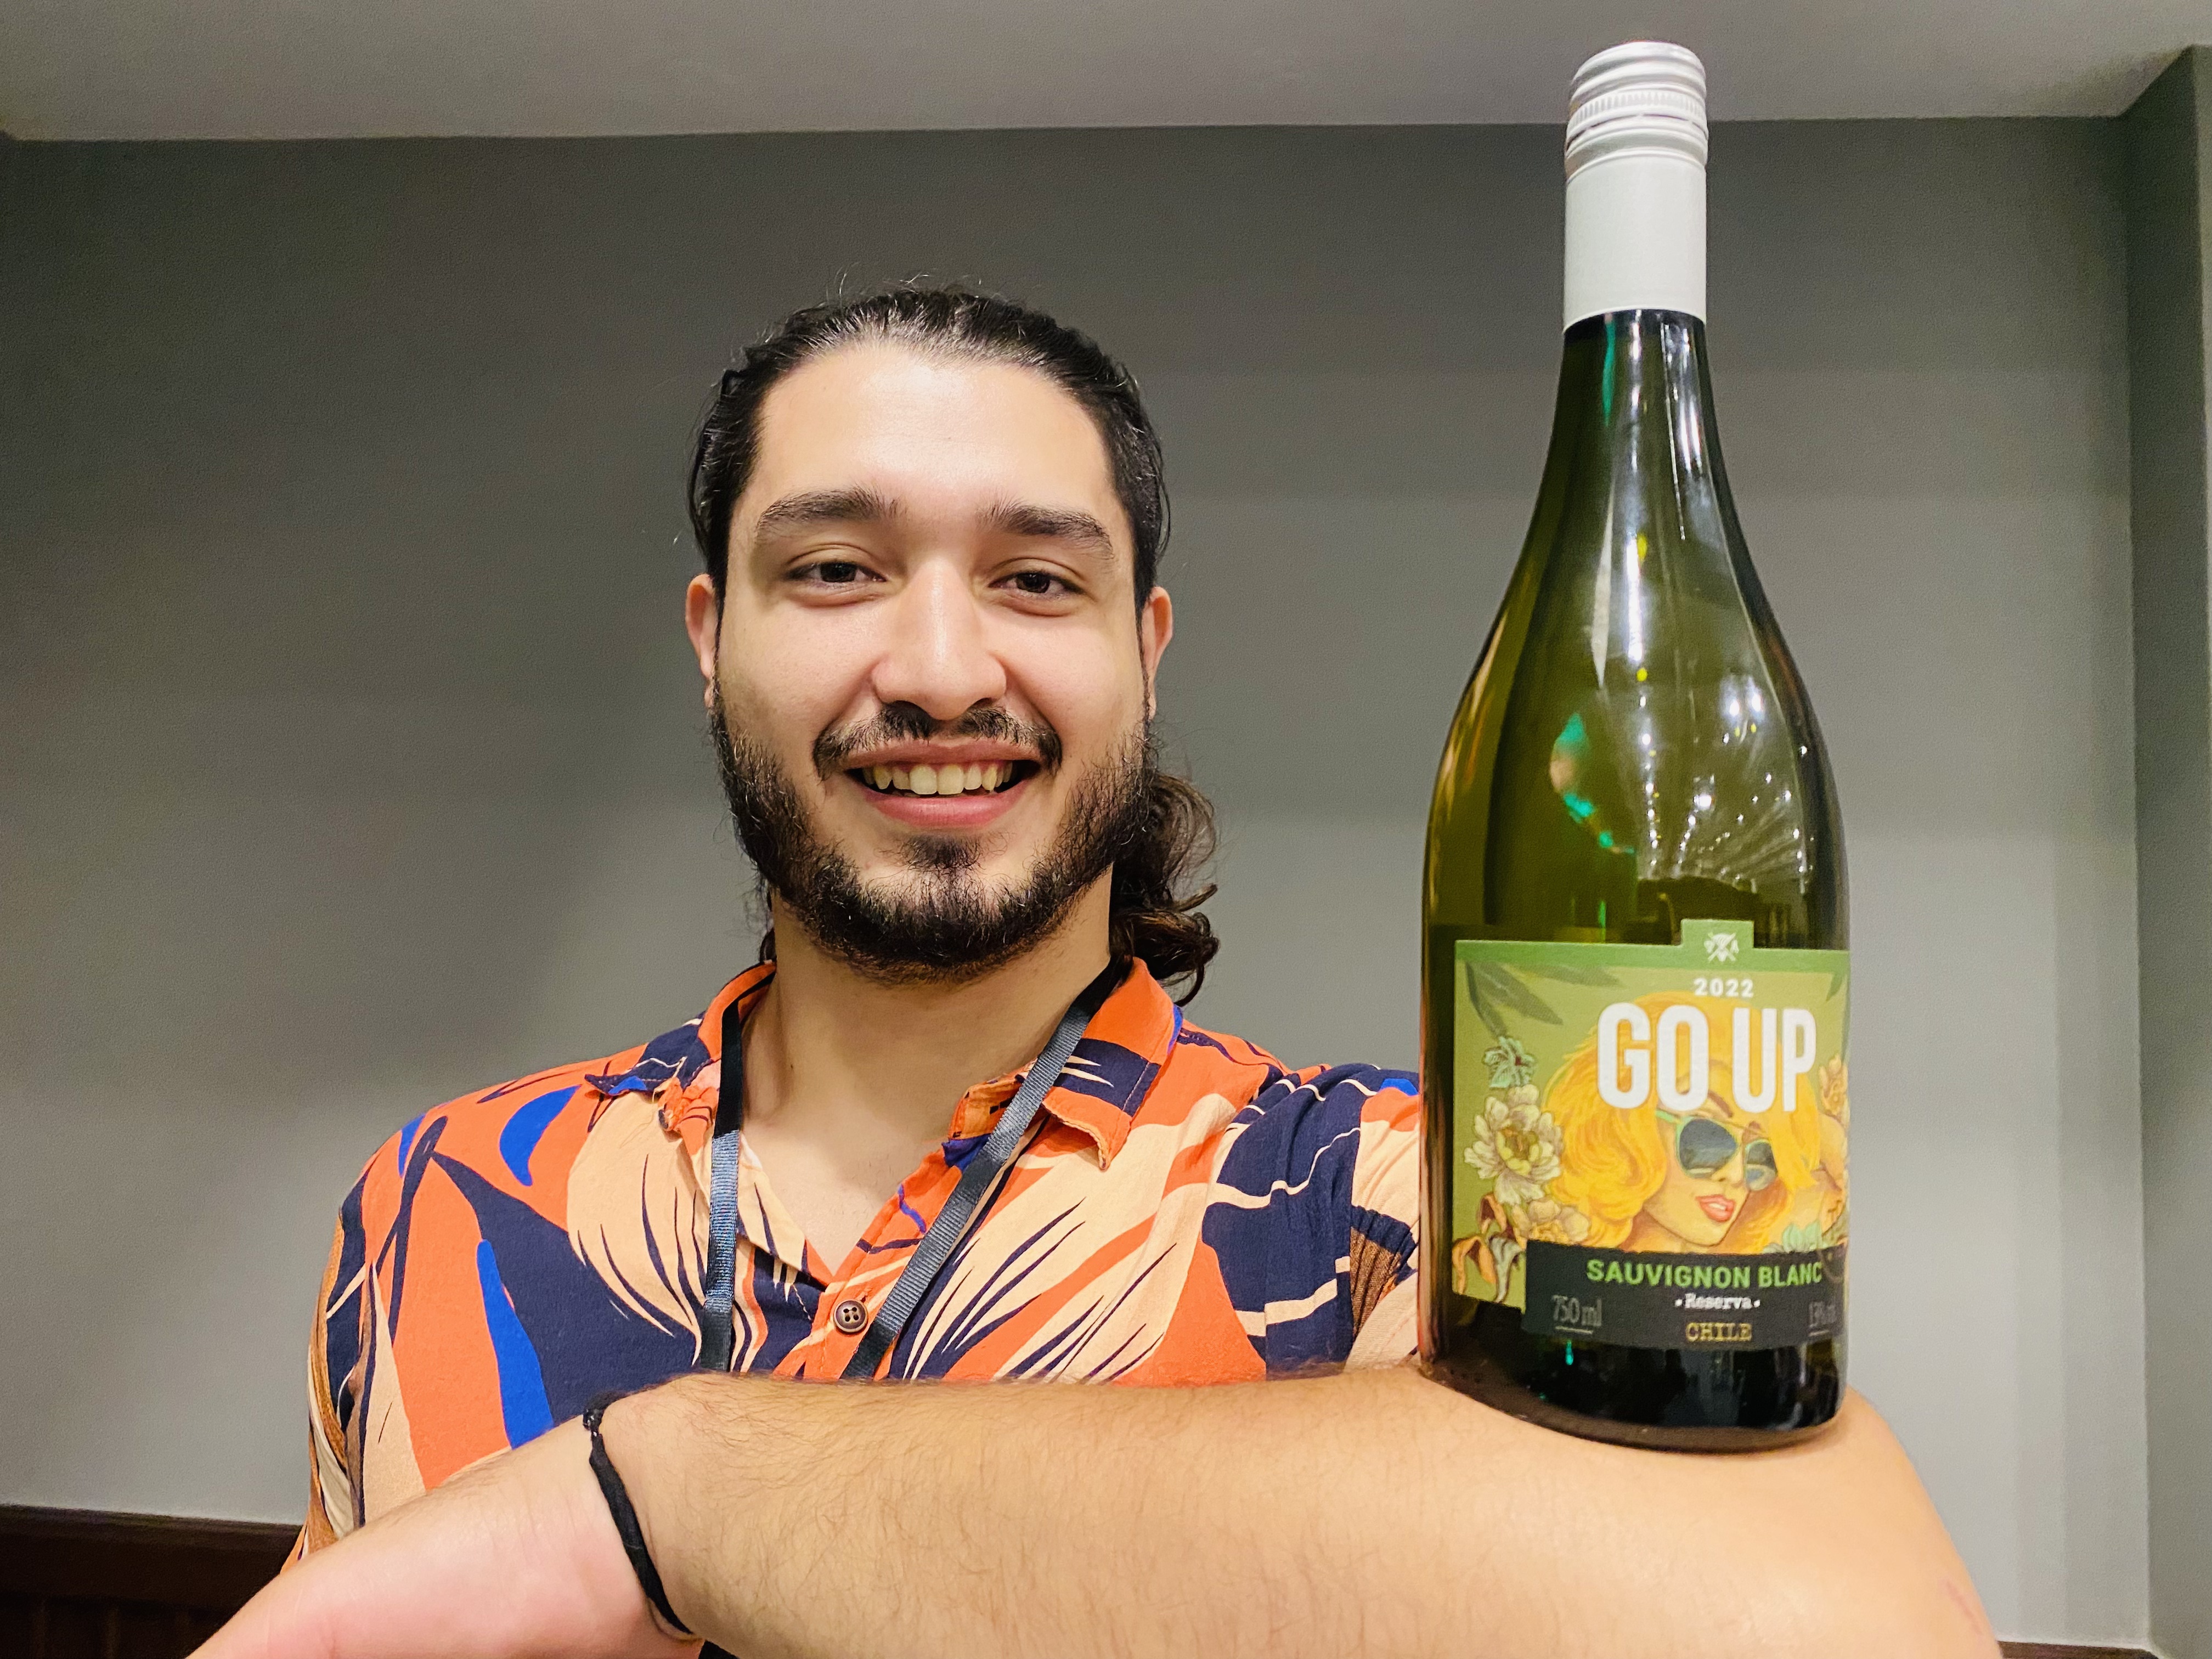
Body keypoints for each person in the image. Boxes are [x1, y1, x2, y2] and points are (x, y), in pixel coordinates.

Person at [198, 287, 1994, 1658]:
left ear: (1145, 653)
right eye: (836, 568)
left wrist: (656, 1497)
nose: (939, 667)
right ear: (710, 637)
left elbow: (1856, 1622)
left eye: (1037, 583)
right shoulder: (444, 1198)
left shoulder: (1397, 1203)